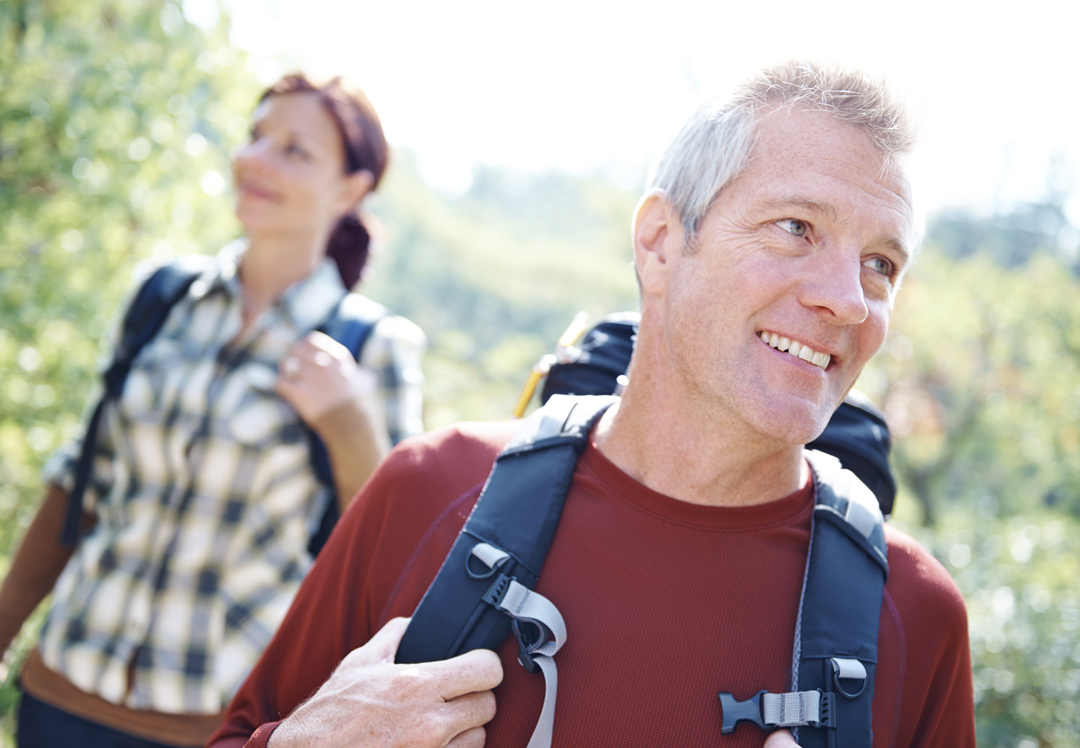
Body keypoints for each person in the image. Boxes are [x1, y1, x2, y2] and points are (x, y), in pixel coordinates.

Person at [209, 61, 976, 748]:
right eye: (796, 228)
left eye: (881, 265)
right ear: (660, 243)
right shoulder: (432, 492)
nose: (847, 300)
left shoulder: (916, 615)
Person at [0, 73, 426, 748]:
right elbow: (79, 480)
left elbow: (391, 555)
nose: (254, 159)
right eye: (256, 136)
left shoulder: (371, 349)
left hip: (220, 723)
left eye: (294, 149)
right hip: (59, 694)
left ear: (351, 190)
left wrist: (348, 423)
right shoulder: (162, 299)